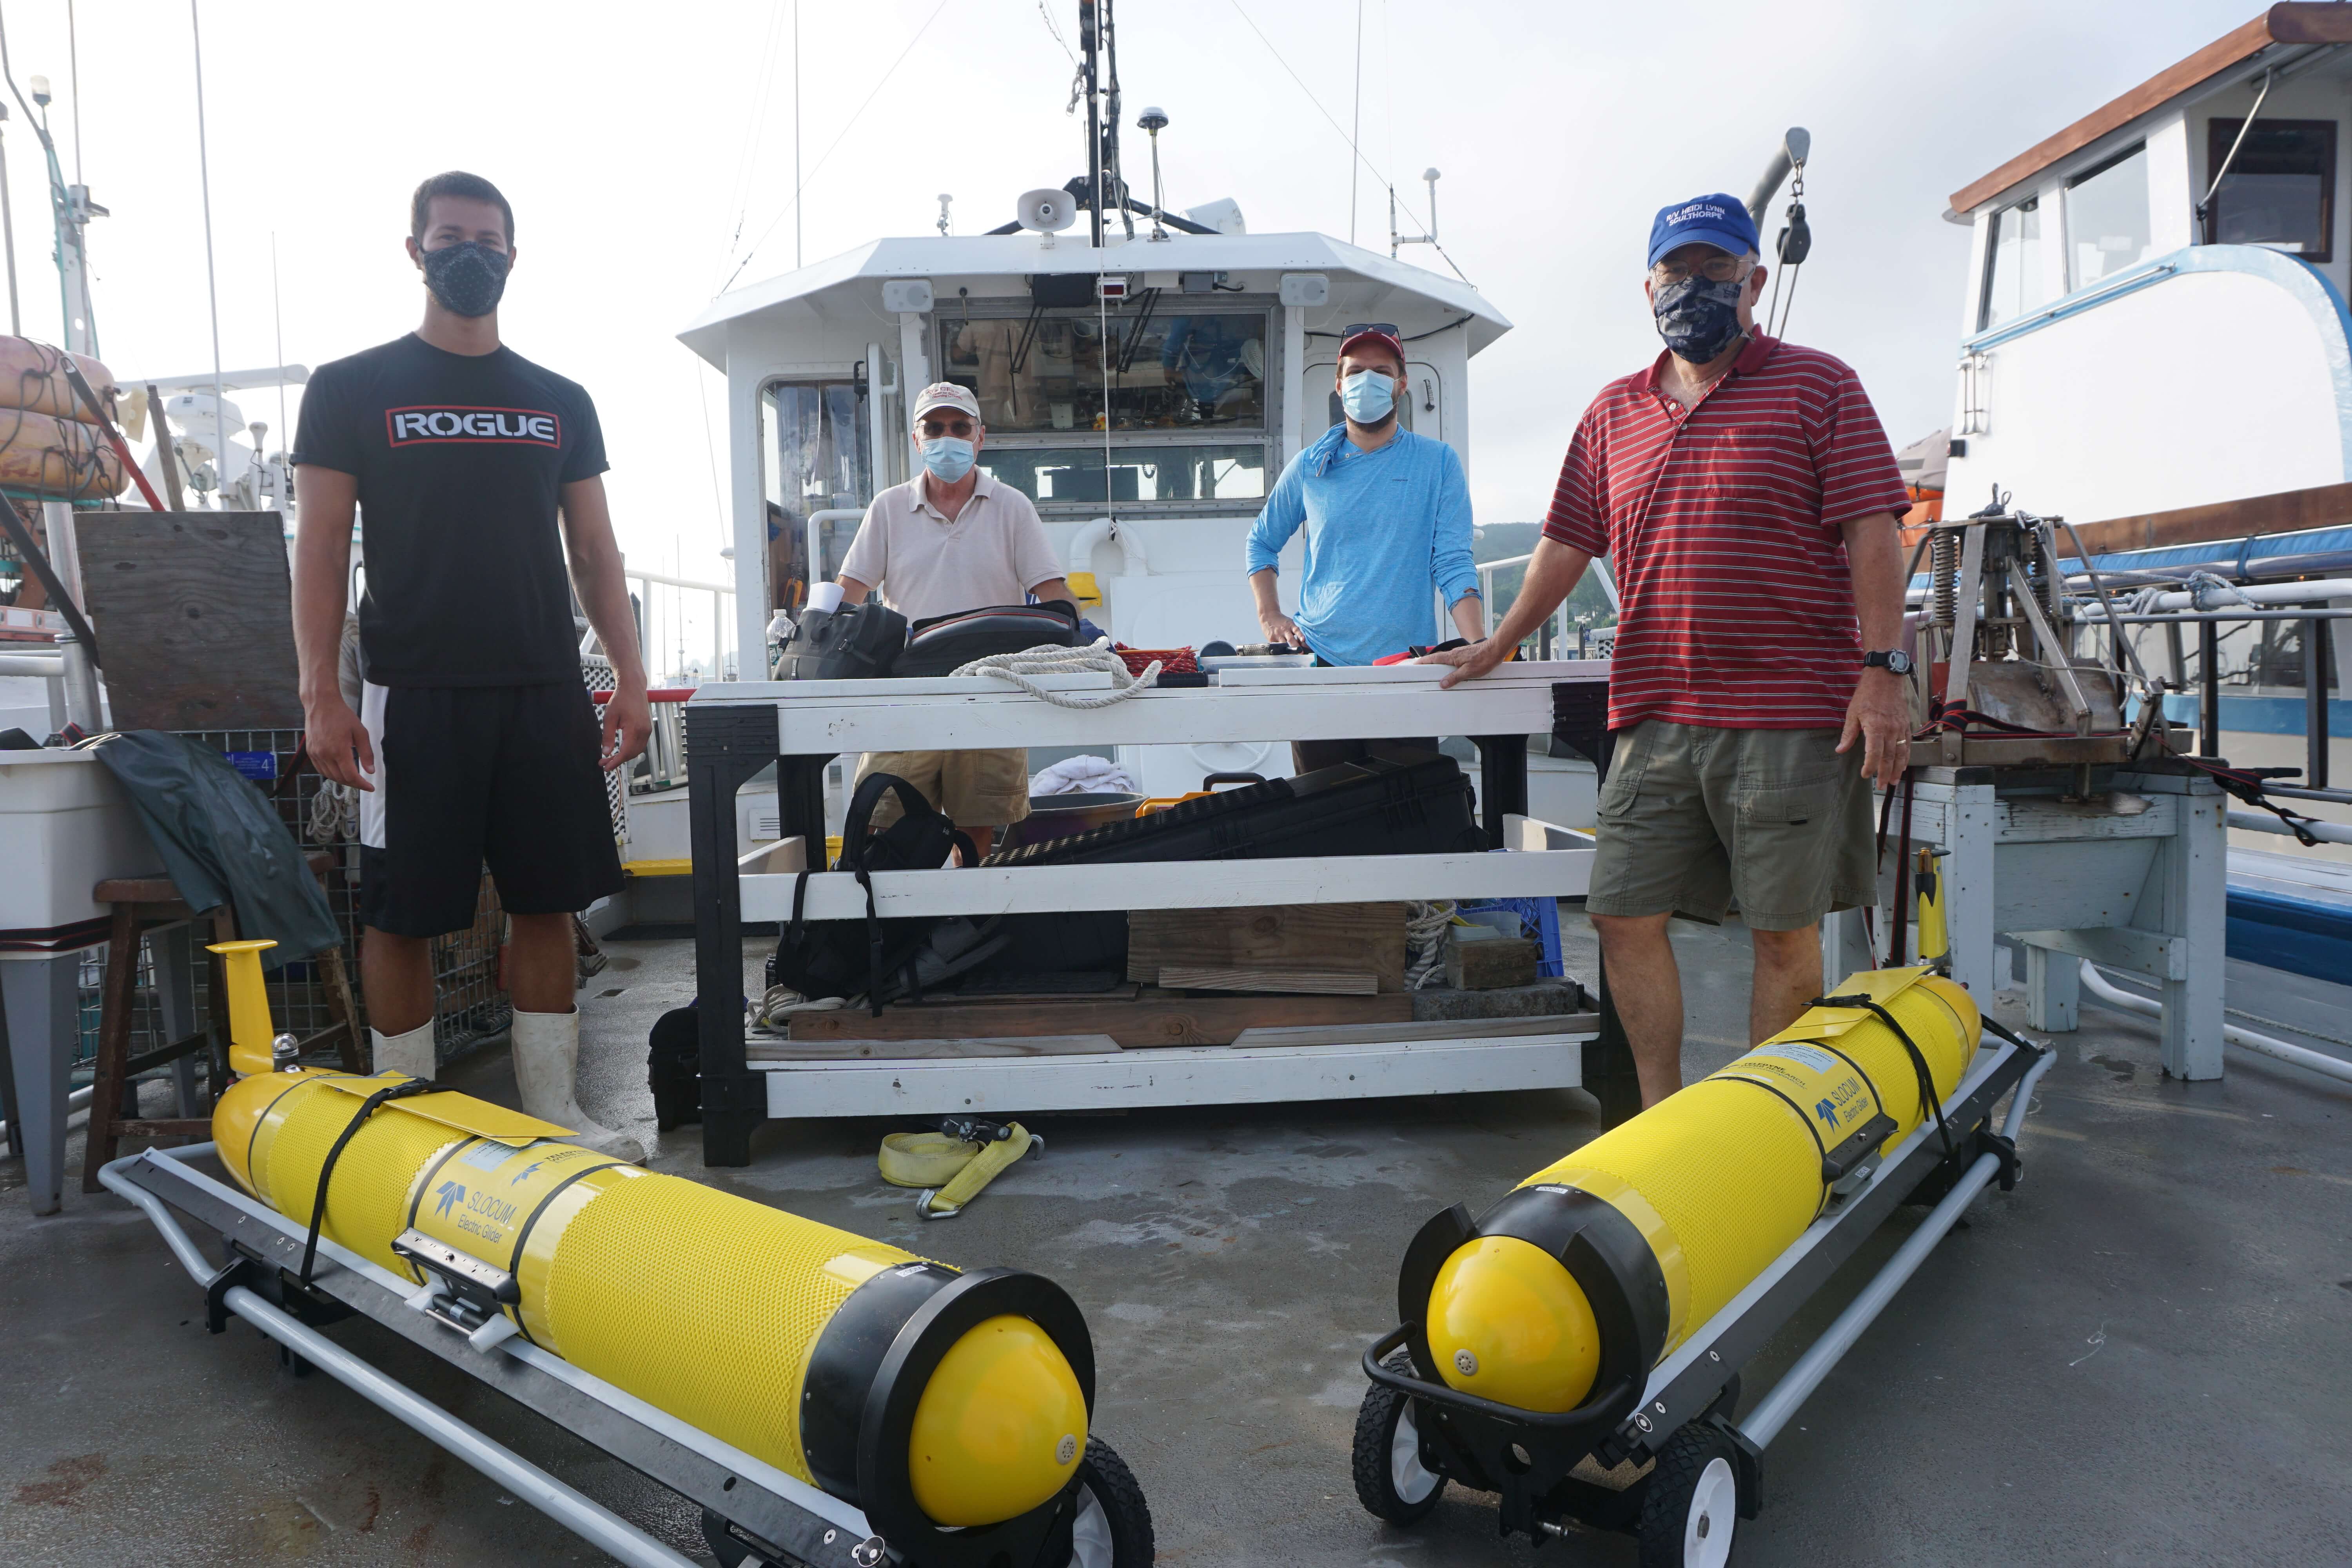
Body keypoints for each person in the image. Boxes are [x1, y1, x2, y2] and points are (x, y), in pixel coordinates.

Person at [1424, 193, 1914, 1108]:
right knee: (1620, 911)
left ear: (1754, 282)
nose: (1694, 289)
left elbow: (1872, 533)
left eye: (1716, 273)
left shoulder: (1820, 384)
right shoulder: (1613, 412)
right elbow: (1568, 542)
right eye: (1676, 273)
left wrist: (1883, 674)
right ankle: (1663, 1116)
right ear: (1648, 286)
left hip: (1790, 715)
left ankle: (1769, 1126)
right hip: (1654, 715)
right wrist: (1499, 641)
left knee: (1780, 934)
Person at [292, 171, 651, 1160]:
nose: (471, 254)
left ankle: (554, 1113)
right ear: (415, 251)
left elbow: (597, 554)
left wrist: (628, 676)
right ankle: (402, 1124)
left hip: (543, 689)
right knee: (404, 909)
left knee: (547, 900)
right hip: (413, 692)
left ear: (513, 256)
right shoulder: (352, 388)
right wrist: (322, 693)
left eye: (489, 240)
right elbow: (320, 548)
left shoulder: (557, 399)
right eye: (451, 237)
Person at [836, 382, 1075, 858]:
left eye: (960, 427)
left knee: (976, 837)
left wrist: (1090, 642)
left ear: (980, 438)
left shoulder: (1013, 507)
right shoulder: (887, 509)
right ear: (917, 439)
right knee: (882, 827)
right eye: (936, 427)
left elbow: (1054, 597)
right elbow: (848, 597)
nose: (948, 436)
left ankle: (967, 933)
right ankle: (903, 935)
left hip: (990, 692)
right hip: (907, 696)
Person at [1245, 326, 1483, 772]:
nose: (1367, 380)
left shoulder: (1438, 462)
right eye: (1356, 371)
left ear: (1401, 384)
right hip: (1320, 665)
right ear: (1339, 385)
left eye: (1381, 371)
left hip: (1406, 668)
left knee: (1409, 815)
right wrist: (1270, 616)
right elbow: (1261, 542)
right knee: (1327, 817)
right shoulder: (1311, 466)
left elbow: (1452, 562)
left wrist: (1479, 645)